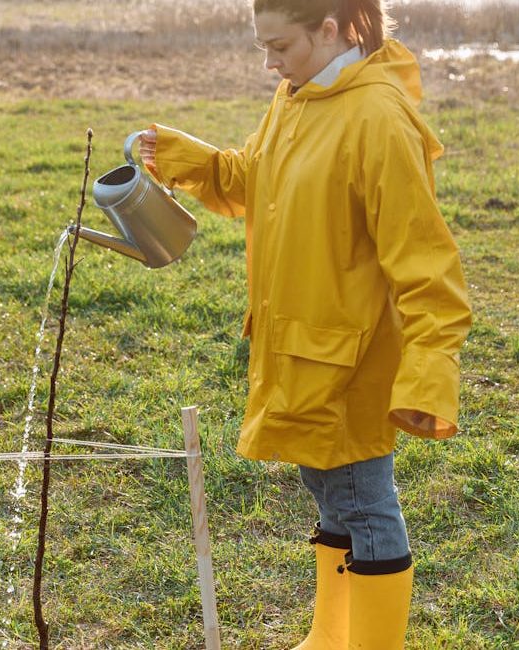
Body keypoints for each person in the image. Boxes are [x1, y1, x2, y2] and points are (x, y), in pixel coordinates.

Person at [139, 1, 472, 647]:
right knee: (327, 490)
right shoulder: (298, 95)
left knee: (363, 502)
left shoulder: (376, 117)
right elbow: (254, 179)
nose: (269, 63)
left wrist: (427, 374)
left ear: (331, 28)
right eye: (262, 47)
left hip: (349, 358)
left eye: (281, 46)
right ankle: (329, 636)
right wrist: (185, 156)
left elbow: (426, 265)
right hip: (296, 345)